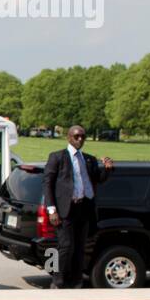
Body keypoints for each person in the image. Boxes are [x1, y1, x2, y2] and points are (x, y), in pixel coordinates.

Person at [42, 124, 114, 289]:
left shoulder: (89, 159)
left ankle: (76, 281)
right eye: (76, 136)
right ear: (69, 137)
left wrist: (108, 170)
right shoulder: (58, 157)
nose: (80, 139)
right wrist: (51, 209)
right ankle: (58, 281)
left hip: (84, 208)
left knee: (80, 247)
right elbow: (47, 183)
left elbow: (98, 179)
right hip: (65, 209)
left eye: (82, 136)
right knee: (66, 246)